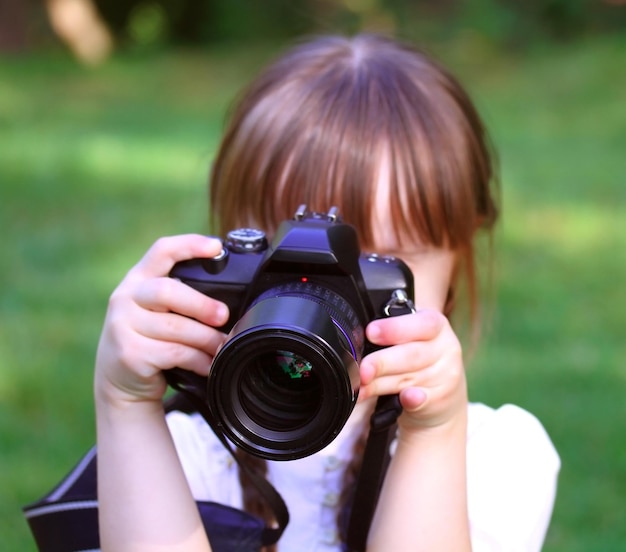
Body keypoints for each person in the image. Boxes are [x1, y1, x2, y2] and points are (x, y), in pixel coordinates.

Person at [94, 34, 560, 551]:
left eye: (380, 258)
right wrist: (125, 406)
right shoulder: (181, 452)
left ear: (458, 257)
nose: (326, 293)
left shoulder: (498, 457)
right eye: (287, 257)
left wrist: (431, 433)